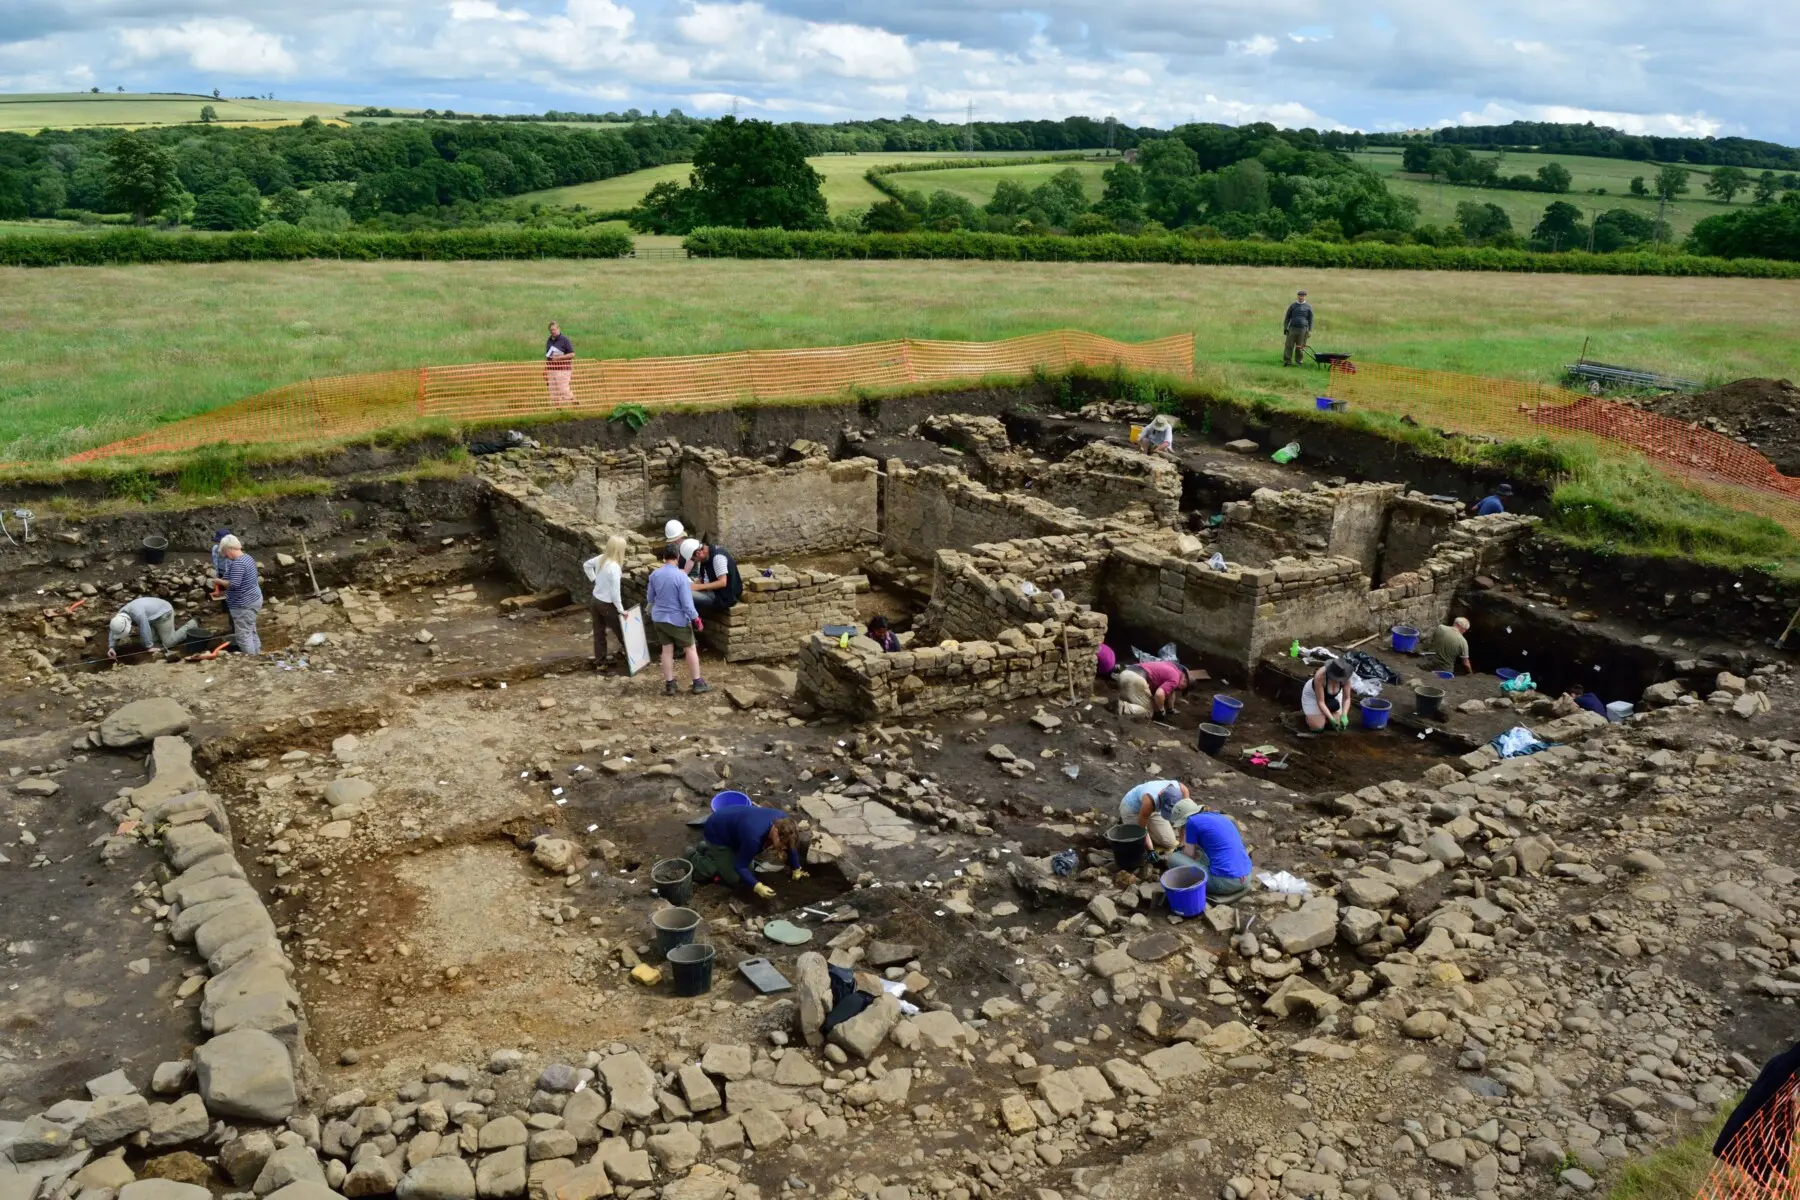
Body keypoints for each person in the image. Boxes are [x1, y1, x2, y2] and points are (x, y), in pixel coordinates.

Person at [686, 805, 808, 900]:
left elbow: (790, 844)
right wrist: (757, 886)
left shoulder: (784, 822)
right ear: (775, 832)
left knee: (750, 872)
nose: (783, 848)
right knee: (734, 879)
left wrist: (796, 867)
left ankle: (707, 848)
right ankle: (693, 855)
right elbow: (740, 866)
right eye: (782, 844)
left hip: (734, 825)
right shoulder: (753, 839)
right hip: (716, 833)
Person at [645, 543, 709, 695]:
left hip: (659, 618)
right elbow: (687, 603)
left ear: (663, 557)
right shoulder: (681, 577)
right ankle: (697, 682)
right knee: (690, 648)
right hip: (677, 619)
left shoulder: (654, 575)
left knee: (666, 650)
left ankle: (670, 684)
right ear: (678, 557)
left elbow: (649, 597)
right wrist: (696, 618)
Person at [1167, 806, 1254, 899]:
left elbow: (1189, 854)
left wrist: (1182, 850)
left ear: (1183, 820)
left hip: (1225, 883)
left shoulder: (1191, 821)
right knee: (1206, 852)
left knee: (1173, 858)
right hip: (1247, 877)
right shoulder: (1220, 817)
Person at [209, 535, 264, 656]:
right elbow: (234, 576)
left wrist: (219, 582)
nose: (225, 556)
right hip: (253, 599)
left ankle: (251, 659)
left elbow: (234, 584)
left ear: (229, 549)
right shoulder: (247, 558)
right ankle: (257, 654)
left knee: (243, 636)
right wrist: (224, 578)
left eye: (225, 552)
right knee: (251, 630)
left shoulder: (238, 563)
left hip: (244, 604)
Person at [107, 596, 204, 661]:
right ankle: (164, 632)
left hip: (164, 613)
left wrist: (150, 647)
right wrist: (111, 647)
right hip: (151, 618)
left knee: (168, 643)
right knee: (146, 642)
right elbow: (113, 629)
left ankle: (193, 623)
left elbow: (144, 628)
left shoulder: (137, 614)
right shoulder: (120, 616)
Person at [582, 534, 628, 671]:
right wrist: (621, 610)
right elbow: (615, 594)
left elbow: (586, 565)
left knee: (599, 632)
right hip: (607, 604)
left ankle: (600, 661)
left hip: (595, 600)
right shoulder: (614, 567)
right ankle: (633, 657)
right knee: (621, 631)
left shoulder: (601, 559)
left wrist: (594, 580)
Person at [1118, 780, 1199, 852]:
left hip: (1156, 808)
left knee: (1170, 843)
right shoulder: (1149, 800)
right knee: (1139, 845)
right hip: (1132, 809)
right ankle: (1125, 823)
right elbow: (1141, 829)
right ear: (1160, 795)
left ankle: (1150, 829)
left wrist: (1182, 844)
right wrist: (1150, 850)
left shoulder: (1183, 791)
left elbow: (1184, 818)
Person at [682, 539, 742, 615]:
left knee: (684, 594)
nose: (695, 562)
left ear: (698, 553)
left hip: (724, 597)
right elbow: (705, 576)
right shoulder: (707, 555)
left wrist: (698, 587)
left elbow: (722, 582)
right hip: (714, 592)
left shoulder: (717, 557)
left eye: (694, 559)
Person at [1302, 658, 1353, 731]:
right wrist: (1331, 719)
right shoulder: (1320, 676)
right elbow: (1321, 702)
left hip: (1332, 695)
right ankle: (1311, 717)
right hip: (1314, 695)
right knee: (1318, 727)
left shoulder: (1346, 677)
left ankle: (1324, 715)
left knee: (1339, 724)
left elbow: (1346, 698)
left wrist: (1344, 715)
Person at [544, 321, 574, 405]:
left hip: (563, 370)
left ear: (558, 329)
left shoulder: (565, 340)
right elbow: (548, 356)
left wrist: (559, 358)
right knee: (553, 391)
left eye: (554, 329)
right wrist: (545, 369)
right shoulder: (549, 341)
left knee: (563, 389)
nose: (553, 331)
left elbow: (572, 354)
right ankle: (558, 410)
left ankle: (575, 403)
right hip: (551, 370)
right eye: (551, 330)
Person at [1282, 289, 1313, 367]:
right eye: (1300, 296)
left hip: (1303, 329)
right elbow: (1287, 318)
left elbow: (1310, 319)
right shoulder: (1293, 306)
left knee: (1300, 347)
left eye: (1302, 296)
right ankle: (1287, 362)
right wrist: (1286, 327)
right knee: (1289, 346)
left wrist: (1310, 330)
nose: (1301, 297)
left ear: (1305, 297)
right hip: (1292, 328)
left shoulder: (1308, 307)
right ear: (1297, 296)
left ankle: (1299, 362)